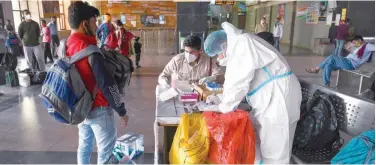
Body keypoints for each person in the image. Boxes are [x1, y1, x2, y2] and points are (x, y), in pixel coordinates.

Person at [203, 22, 302, 164]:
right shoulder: (240, 43)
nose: (219, 58)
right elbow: (235, 81)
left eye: (218, 54)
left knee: (275, 148)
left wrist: (223, 106)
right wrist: (221, 99)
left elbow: (238, 82)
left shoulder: (243, 43)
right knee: (263, 143)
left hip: (279, 97)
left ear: (224, 45)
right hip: (271, 97)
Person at [66, 2, 129, 164]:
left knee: (84, 148)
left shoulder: (65, 45)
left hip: (81, 109)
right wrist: (121, 110)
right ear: (84, 24)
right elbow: (108, 85)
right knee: (106, 154)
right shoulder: (91, 51)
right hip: (100, 110)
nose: (96, 26)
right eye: (94, 22)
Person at [306, 35, 375, 86]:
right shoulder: (359, 47)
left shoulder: (368, 46)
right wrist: (350, 47)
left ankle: (316, 69)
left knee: (331, 57)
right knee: (328, 65)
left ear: (360, 40)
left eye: (355, 42)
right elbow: (353, 54)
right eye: (353, 43)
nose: (354, 44)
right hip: (346, 61)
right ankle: (326, 84)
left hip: (351, 64)